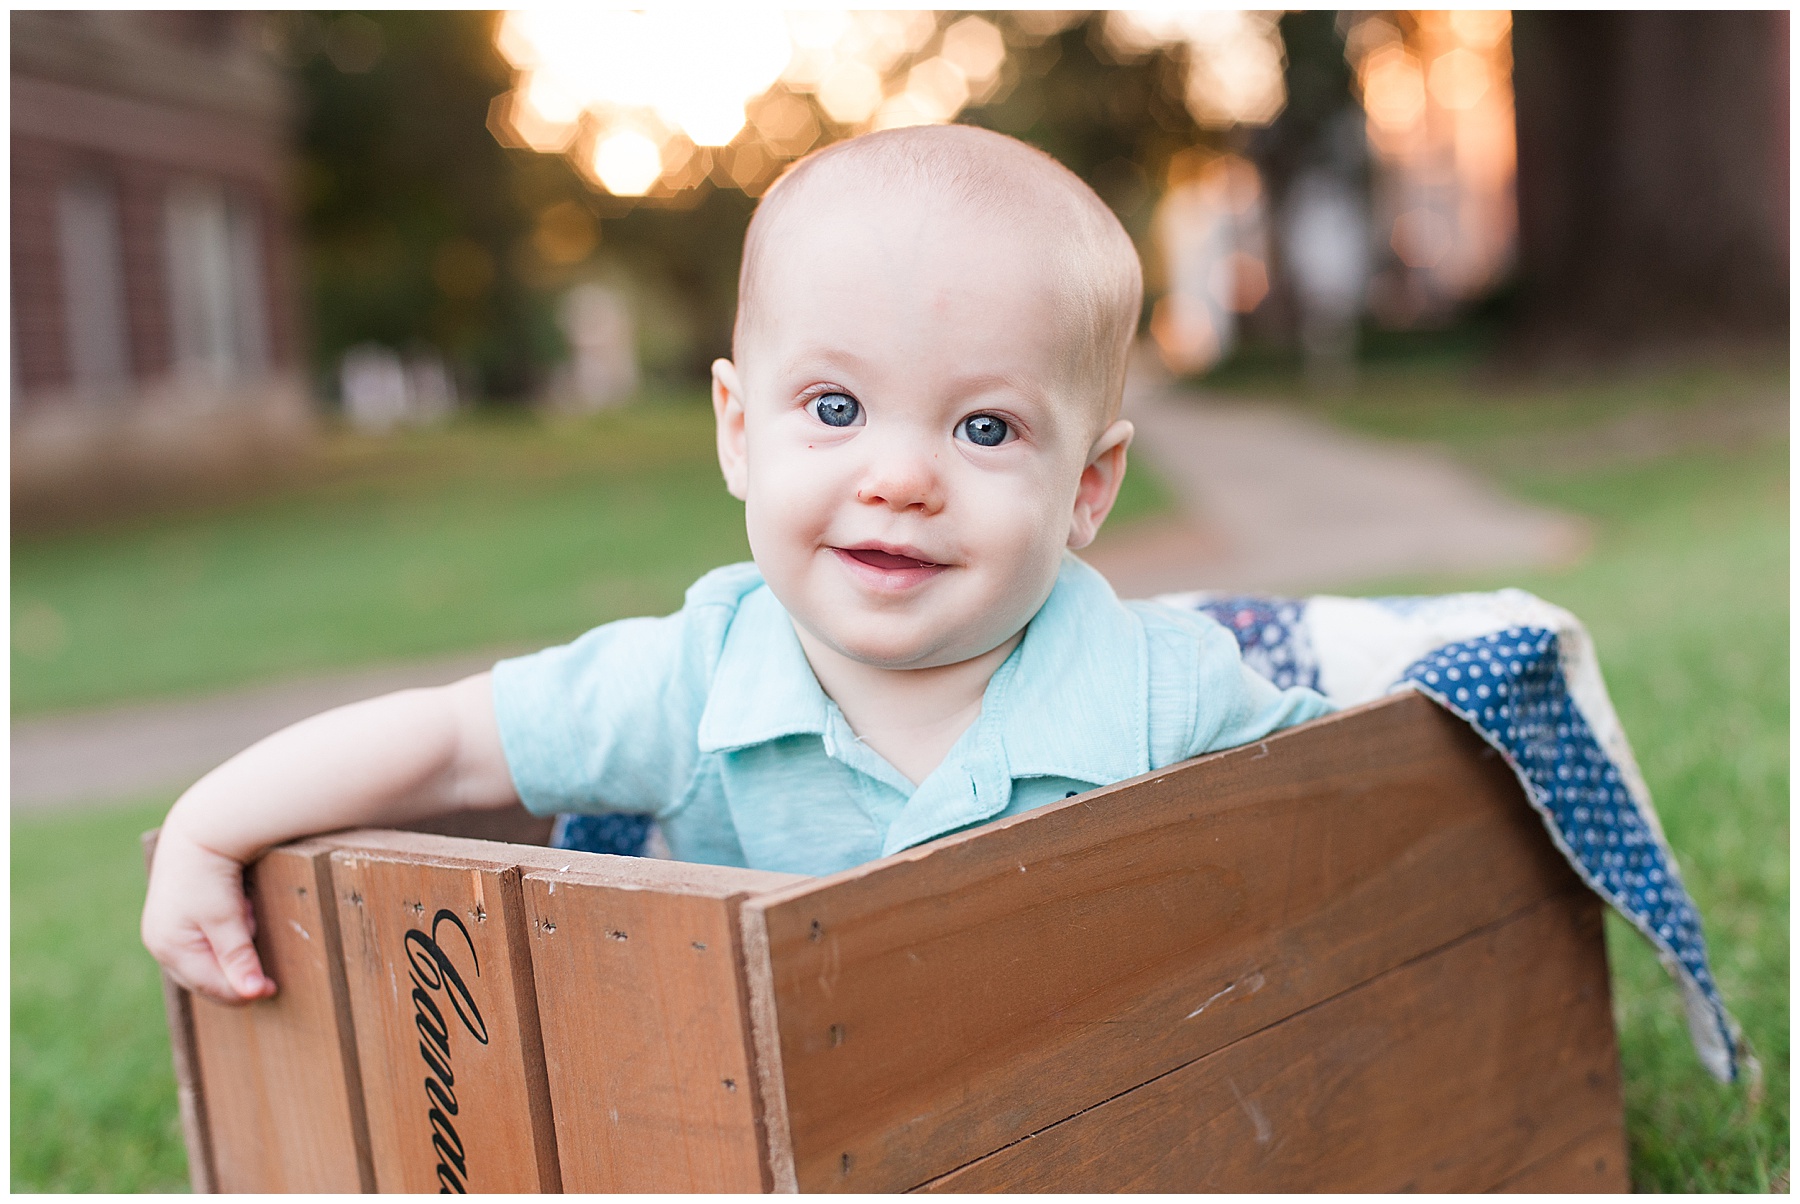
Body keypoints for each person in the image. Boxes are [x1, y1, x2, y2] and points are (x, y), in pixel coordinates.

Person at [141, 125, 1334, 1005]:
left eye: (984, 428)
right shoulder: (699, 680)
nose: (899, 477)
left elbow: (1360, 820)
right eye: (834, 406)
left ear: (1086, 487)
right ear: (738, 431)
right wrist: (206, 828)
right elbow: (452, 741)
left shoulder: (1165, 691)